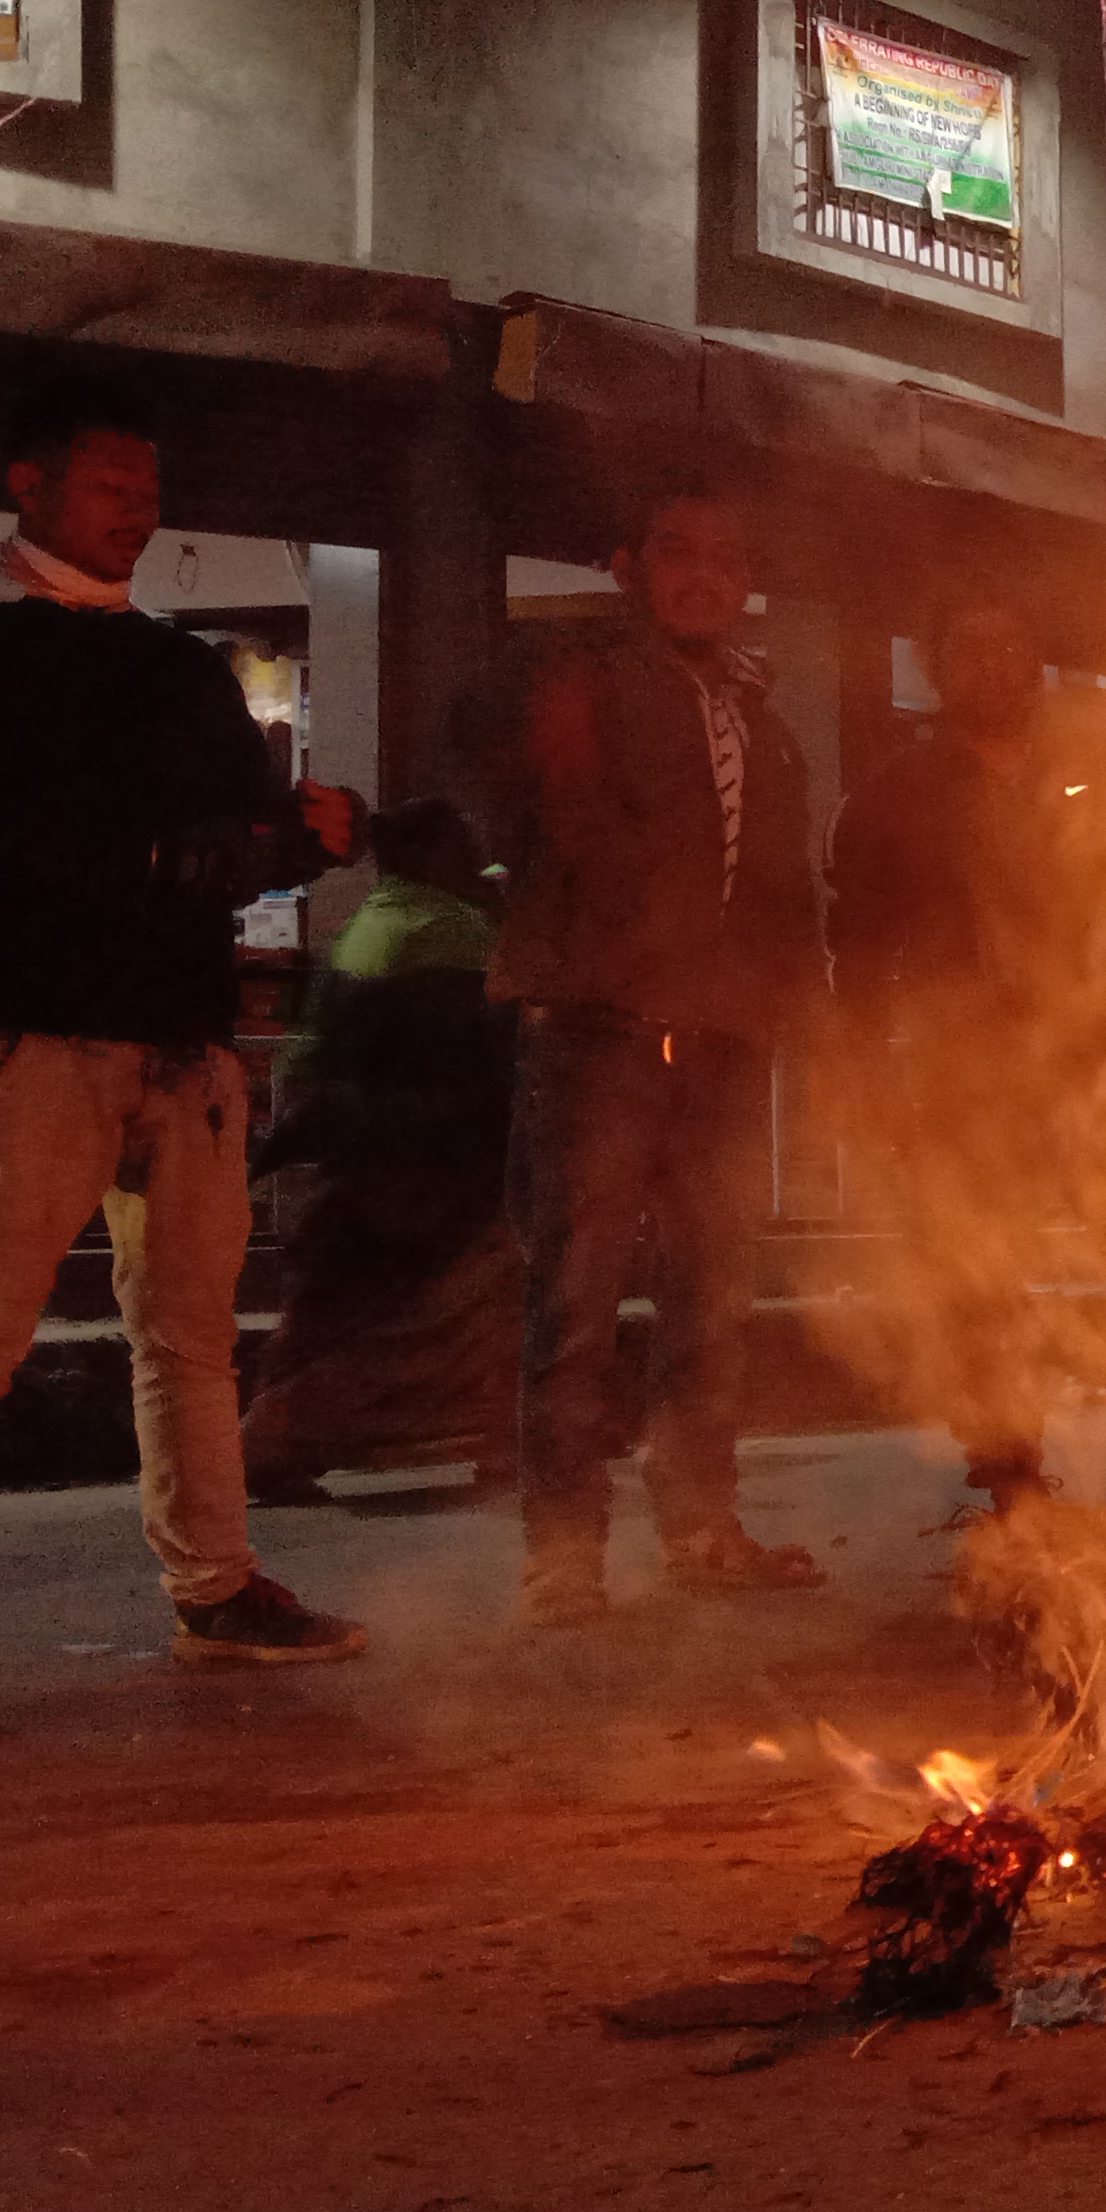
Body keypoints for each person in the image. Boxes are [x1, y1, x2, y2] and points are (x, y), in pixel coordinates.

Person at [0, 376, 369, 1718]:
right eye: (113, 483)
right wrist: (189, 854)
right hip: (34, 1033)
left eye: (149, 489)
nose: (139, 507)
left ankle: (217, 1586)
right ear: (30, 484)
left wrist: (295, 837)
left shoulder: (178, 667)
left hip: (180, 1043)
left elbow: (241, 844)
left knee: (185, 1338)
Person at [488, 484, 828, 1622]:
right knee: (576, 1300)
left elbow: (782, 889)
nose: (703, 575)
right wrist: (662, 946)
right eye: (679, 552)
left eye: (725, 556)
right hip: (601, 1031)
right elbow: (565, 825)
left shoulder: (759, 720)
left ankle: (698, 1525)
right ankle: (563, 1551)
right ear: (631, 564)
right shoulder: (580, 682)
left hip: (721, 1043)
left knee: (712, 1295)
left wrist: (787, 1003)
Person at [826, 592, 1104, 1514]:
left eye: (1012, 643)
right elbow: (857, 947)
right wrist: (868, 1068)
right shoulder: (895, 794)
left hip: (1086, 1051)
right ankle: (1011, 1469)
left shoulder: (1091, 777)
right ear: (939, 670)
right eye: (971, 648)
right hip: (961, 1066)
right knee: (983, 1271)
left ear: (1036, 661)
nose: (994, 664)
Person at [238, 797, 521, 1497]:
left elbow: (322, 1051)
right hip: (432, 1161)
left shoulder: (371, 924)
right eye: (459, 842)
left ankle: (271, 1438)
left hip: (360, 1155)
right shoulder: (453, 932)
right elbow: (487, 1053)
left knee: (342, 1311)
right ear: (429, 854)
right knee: (452, 1313)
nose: (470, 853)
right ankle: (279, 1434)